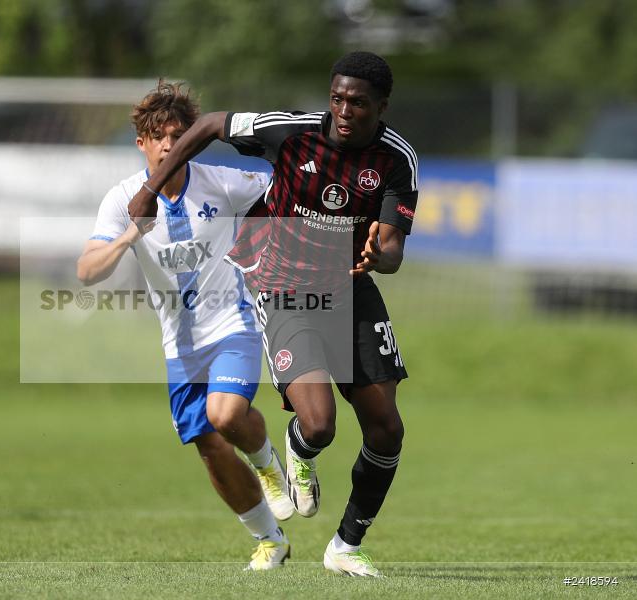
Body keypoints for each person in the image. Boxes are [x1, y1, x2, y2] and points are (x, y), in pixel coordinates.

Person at [127, 52, 417, 577]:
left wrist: (383, 256)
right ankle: (301, 450)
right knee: (320, 424)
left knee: (386, 429)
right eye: (337, 98)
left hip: (350, 287)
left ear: (381, 106)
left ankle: (346, 546)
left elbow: (393, 247)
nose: (344, 110)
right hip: (282, 284)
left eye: (357, 102)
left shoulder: (396, 158)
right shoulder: (292, 132)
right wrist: (151, 188)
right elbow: (213, 125)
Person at [77, 81, 294, 570]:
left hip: (232, 324)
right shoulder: (122, 199)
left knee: (225, 415)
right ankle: (270, 541)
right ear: (142, 143)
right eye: (158, 136)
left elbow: (287, 187)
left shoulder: (222, 181)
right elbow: (87, 271)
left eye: (179, 134)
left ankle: (268, 465)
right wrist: (128, 236)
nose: (169, 144)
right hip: (179, 346)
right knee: (210, 447)